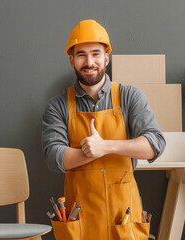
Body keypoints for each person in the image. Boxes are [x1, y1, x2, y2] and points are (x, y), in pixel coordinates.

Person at [42, 20, 165, 239]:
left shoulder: (129, 97)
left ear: (106, 57)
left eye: (96, 54)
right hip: (80, 222)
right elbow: (53, 156)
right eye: (81, 55)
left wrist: (105, 146)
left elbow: (154, 144)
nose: (89, 62)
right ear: (71, 60)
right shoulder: (58, 105)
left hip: (123, 219)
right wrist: (88, 152)